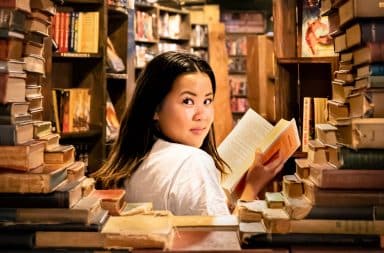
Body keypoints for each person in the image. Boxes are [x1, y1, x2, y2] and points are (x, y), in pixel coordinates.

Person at [92, 51, 285, 216]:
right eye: (188, 101)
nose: (202, 115)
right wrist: (252, 188)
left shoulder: (131, 159)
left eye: (207, 101)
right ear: (155, 109)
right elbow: (223, 243)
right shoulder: (193, 162)